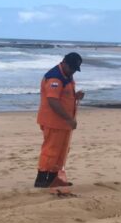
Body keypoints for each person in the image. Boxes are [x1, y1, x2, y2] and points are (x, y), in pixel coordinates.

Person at [34, 52, 85, 189]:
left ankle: (53, 179)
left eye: (75, 69)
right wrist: (69, 119)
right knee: (51, 151)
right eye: (72, 68)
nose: (73, 71)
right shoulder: (55, 78)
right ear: (64, 62)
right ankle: (41, 180)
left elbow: (64, 96)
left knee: (62, 151)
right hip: (53, 122)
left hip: (64, 123)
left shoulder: (67, 75)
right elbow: (53, 101)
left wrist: (75, 96)